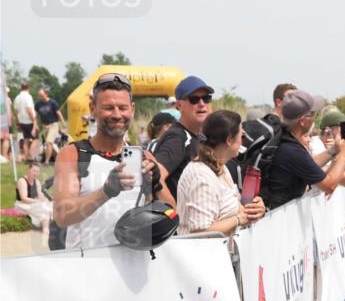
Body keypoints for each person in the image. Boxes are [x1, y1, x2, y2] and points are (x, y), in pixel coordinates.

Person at [53, 73, 162, 250]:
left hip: (136, 268)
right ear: (92, 108)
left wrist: (155, 187)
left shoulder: (145, 157)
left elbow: (172, 215)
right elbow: (62, 215)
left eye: (122, 107)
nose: (117, 114)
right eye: (108, 108)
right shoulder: (73, 154)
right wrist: (106, 191)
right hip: (88, 269)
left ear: (132, 109)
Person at [262, 89, 345, 209]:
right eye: (314, 114)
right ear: (302, 121)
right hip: (282, 219)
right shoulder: (292, 150)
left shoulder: (285, 138)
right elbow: (330, 186)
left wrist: (334, 149)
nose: (315, 119)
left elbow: (309, 163)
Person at [176, 110, 265, 236]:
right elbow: (200, 230)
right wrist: (239, 219)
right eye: (241, 134)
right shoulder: (201, 176)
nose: (243, 139)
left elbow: (234, 210)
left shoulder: (220, 167)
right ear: (229, 140)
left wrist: (255, 210)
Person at [154, 75, 215, 206]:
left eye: (206, 98)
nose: (202, 103)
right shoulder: (178, 137)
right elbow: (154, 177)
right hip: (185, 224)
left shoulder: (200, 137)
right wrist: (175, 215)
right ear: (179, 106)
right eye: (194, 99)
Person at [15, 161, 53, 238]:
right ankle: (45, 229)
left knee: (51, 205)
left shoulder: (37, 182)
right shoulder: (22, 181)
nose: (35, 173)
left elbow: (40, 195)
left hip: (33, 202)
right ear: (28, 170)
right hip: (22, 204)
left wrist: (46, 199)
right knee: (42, 208)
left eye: (37, 172)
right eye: (34, 171)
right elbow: (23, 198)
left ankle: (51, 226)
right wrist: (38, 201)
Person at [35, 88, 65, 164]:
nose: (41, 97)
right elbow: (36, 116)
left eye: (42, 95)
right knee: (48, 144)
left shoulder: (53, 103)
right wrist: (35, 125)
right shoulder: (38, 104)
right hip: (45, 126)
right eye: (39, 96)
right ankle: (56, 159)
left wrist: (63, 126)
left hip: (53, 125)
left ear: (46, 94)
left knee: (49, 142)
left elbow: (59, 115)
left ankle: (47, 161)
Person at [14, 82, 36, 160]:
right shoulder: (28, 97)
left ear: (21, 87)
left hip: (22, 121)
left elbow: (16, 111)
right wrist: (34, 121)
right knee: (35, 140)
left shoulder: (17, 97)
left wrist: (19, 121)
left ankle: (26, 158)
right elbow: (29, 109)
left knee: (26, 140)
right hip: (29, 121)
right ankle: (31, 156)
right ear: (28, 87)